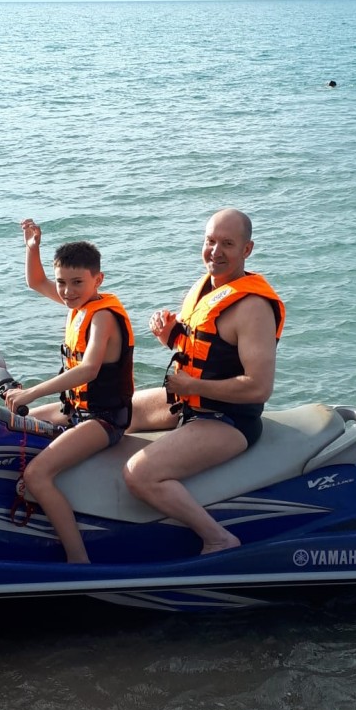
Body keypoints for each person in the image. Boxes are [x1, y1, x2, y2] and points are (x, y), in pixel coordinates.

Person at [123, 208, 285, 554]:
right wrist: (169, 335)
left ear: (247, 249)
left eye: (228, 243)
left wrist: (194, 387)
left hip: (228, 420)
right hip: (188, 404)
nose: (215, 251)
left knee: (139, 474)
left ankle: (218, 538)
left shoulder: (253, 308)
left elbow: (259, 387)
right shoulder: (207, 289)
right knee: (114, 410)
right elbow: (206, 353)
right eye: (210, 241)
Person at [5, 219, 134, 563]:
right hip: (75, 410)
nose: (66, 291)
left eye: (77, 283)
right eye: (62, 282)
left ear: (98, 280)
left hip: (104, 420)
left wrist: (31, 392)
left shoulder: (102, 317)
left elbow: (88, 369)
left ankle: (78, 559)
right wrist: (32, 248)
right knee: (10, 425)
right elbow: (36, 282)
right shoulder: (77, 305)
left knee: (37, 474)